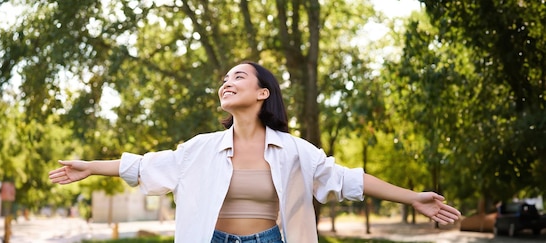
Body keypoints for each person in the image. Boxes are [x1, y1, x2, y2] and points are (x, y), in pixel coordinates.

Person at [49, 61, 461, 242]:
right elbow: (144, 166)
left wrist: (413, 198)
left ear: (263, 93)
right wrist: (89, 167)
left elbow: (347, 179)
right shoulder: (199, 150)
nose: (227, 81)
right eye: (225, 78)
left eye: (238, 76)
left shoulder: (296, 151)